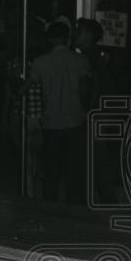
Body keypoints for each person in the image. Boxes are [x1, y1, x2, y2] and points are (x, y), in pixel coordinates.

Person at [29, 20, 92, 203]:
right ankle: (74, 213)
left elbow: (28, 86)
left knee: (52, 172)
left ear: (49, 40)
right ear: (67, 38)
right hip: (75, 122)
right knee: (74, 173)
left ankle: (51, 213)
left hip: (52, 124)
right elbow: (85, 92)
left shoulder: (40, 62)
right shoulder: (81, 61)